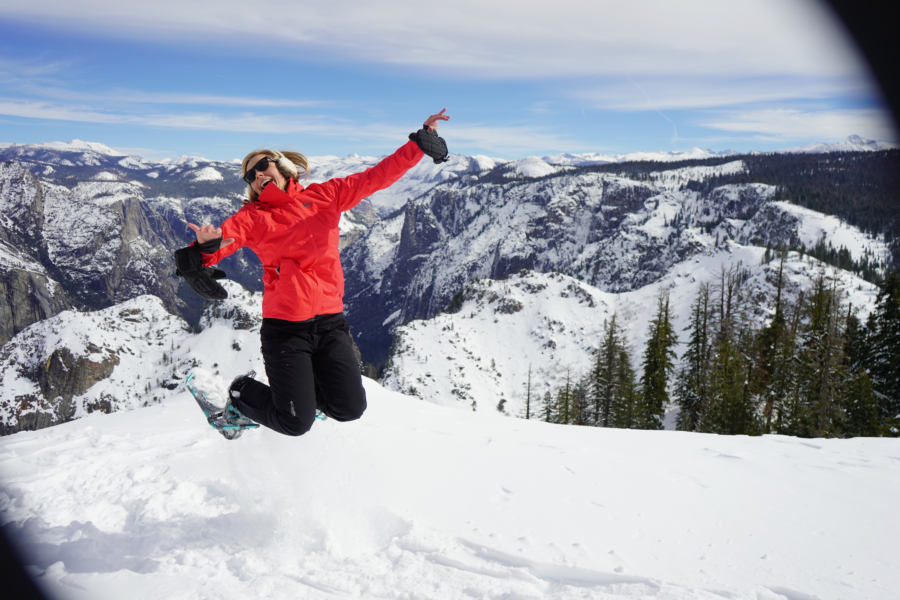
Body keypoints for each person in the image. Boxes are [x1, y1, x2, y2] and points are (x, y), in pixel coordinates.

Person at [180, 109, 451, 437]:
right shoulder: (253, 216)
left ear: (281, 166)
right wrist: (207, 248)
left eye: (263, 165)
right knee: (296, 422)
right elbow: (226, 239)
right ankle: (240, 395)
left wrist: (420, 144)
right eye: (251, 175)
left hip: (330, 324)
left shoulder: (325, 196)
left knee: (350, 409)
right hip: (286, 331)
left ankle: (302, 396)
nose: (257, 175)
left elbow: (377, 177)